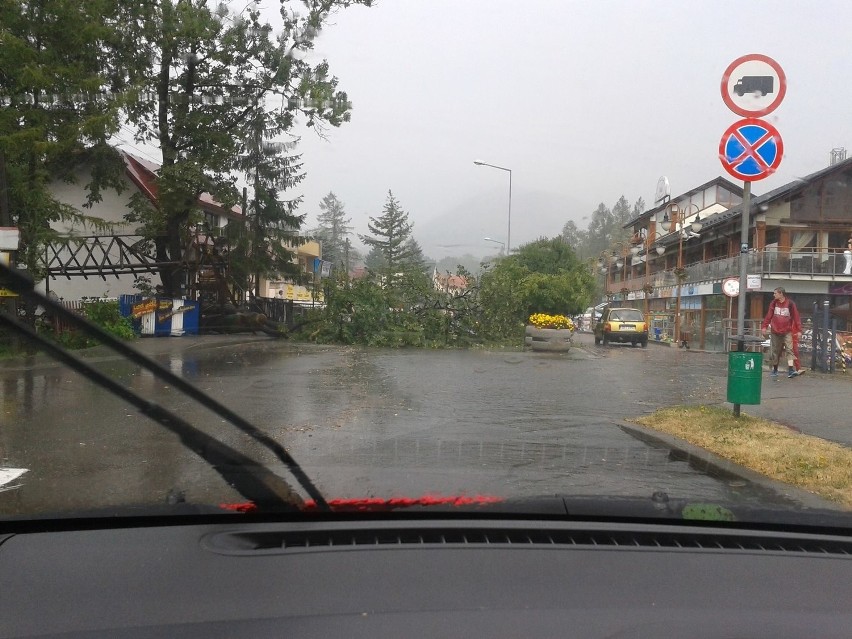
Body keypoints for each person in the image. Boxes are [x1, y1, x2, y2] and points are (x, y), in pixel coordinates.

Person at [761, 287, 802, 379]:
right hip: (775, 330)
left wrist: (799, 330)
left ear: (781, 294)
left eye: (775, 293)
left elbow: (796, 317)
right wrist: (764, 326)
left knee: (789, 349)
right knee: (775, 350)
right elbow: (769, 315)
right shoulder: (774, 303)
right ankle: (775, 369)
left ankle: (791, 369)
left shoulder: (790, 304)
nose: (774, 295)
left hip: (787, 330)